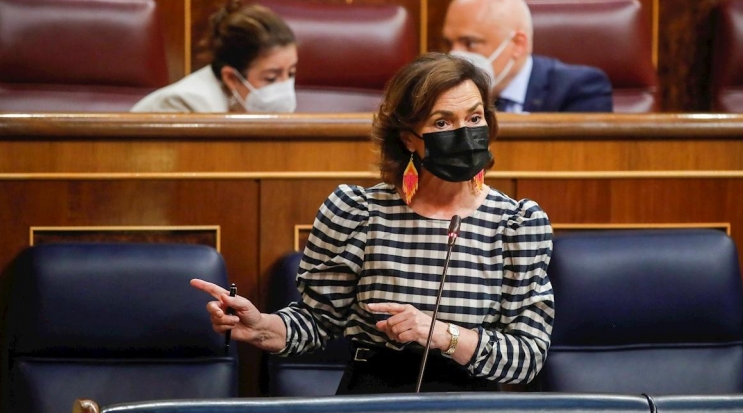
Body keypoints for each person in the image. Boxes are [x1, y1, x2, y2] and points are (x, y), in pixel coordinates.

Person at [191, 52, 554, 394]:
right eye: (442, 122)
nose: (464, 132)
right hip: (374, 396)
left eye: (474, 118)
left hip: (469, 403)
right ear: (409, 138)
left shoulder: (516, 225)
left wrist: (443, 334)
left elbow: (527, 357)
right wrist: (263, 327)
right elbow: (317, 323)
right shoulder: (359, 212)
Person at [442, 0, 613, 113]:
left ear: (518, 45)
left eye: (470, 43)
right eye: (449, 43)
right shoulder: (442, 93)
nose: (455, 54)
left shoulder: (580, 90)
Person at [131, 0, 297, 113]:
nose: (284, 87)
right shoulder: (184, 105)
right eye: (271, 78)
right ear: (231, 78)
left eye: (290, 73)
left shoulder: (245, 103)